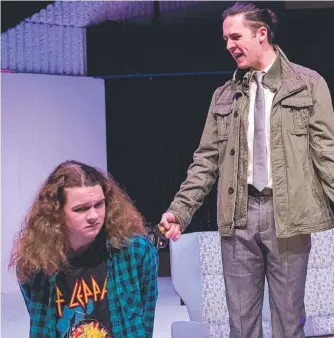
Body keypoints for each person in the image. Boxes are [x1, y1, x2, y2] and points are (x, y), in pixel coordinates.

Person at [159, 2, 334, 338]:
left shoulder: (308, 85)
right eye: (226, 39)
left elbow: (327, 155)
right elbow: (206, 161)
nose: (228, 45)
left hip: (289, 218)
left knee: (288, 321)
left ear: (261, 34)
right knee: (241, 324)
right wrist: (179, 211)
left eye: (235, 36)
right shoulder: (224, 96)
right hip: (237, 218)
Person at [9, 160, 158, 338]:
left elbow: (145, 322)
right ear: (56, 212)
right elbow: (40, 322)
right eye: (81, 209)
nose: (94, 216)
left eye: (99, 204)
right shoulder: (35, 263)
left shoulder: (135, 252)